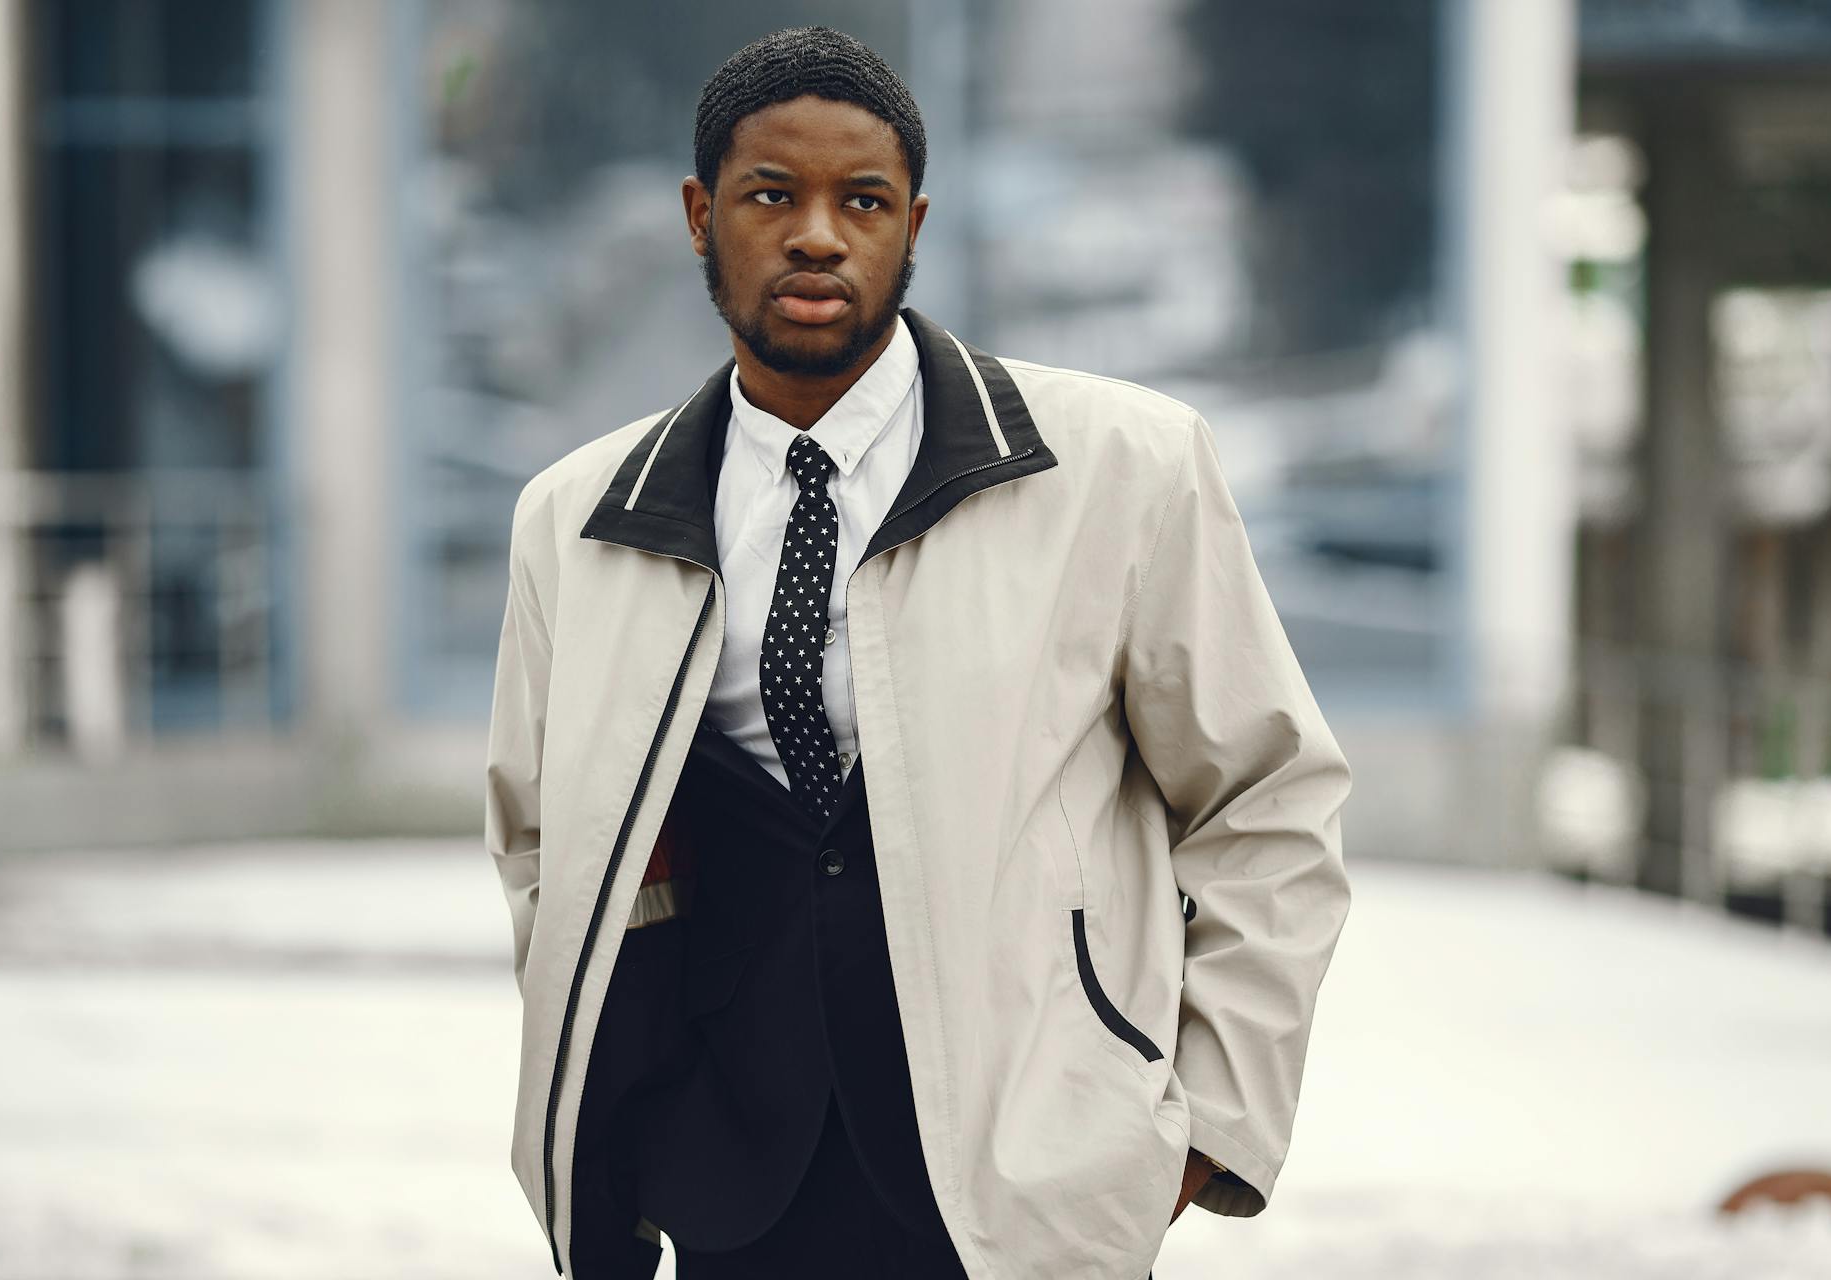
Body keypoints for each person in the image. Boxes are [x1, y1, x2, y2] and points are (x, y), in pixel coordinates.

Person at [483, 25, 1353, 1280]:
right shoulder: (575, 520)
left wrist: (1203, 1128)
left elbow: (1271, 800)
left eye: (864, 200)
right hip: (729, 1191)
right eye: (772, 195)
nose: (819, 234)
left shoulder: (1124, 466)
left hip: (1024, 1187)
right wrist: (629, 1105)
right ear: (697, 214)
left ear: (915, 222)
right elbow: (541, 849)